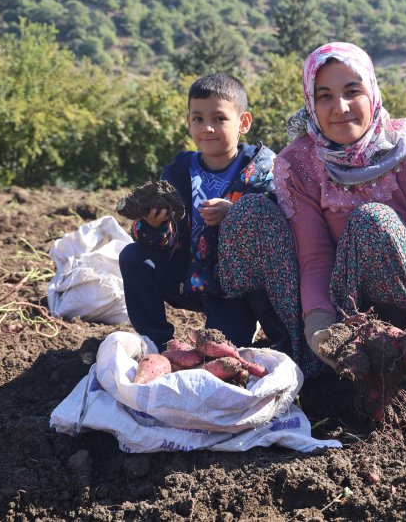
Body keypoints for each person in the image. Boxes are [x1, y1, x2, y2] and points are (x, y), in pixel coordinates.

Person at [274, 42, 406, 367]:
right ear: (310, 103)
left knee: (372, 221)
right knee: (258, 218)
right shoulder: (298, 164)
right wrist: (321, 331)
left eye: (352, 91)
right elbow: (315, 259)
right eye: (324, 96)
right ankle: (317, 358)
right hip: (342, 307)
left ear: (371, 91)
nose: (340, 107)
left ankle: (398, 349)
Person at [119, 73, 292, 354]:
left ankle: (272, 332)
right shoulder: (179, 171)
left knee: (226, 348)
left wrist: (236, 215)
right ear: (188, 122)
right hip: (188, 275)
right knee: (134, 256)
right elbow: (167, 239)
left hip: (236, 289)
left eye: (219, 119)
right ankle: (157, 342)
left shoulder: (262, 170)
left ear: (243, 123)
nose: (207, 128)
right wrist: (154, 225)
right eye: (198, 118)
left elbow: (280, 224)